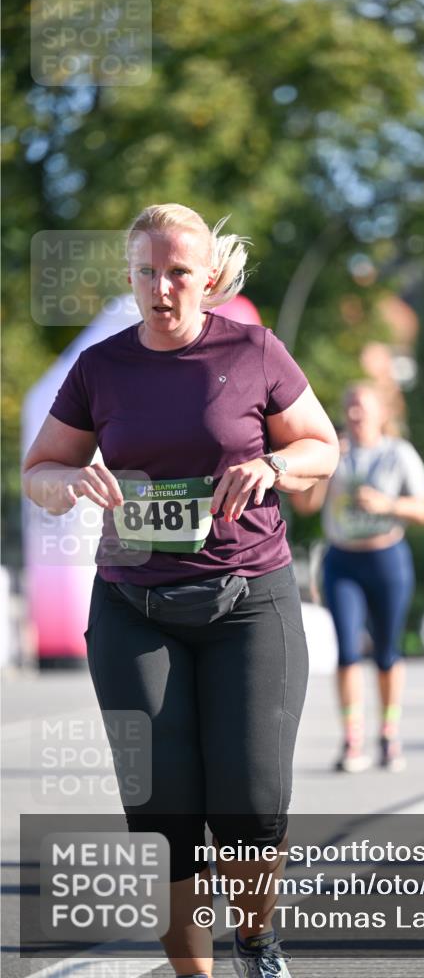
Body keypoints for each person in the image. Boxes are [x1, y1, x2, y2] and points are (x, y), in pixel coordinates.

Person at [22, 203, 339, 978]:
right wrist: (68, 483)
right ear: (129, 276)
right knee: (161, 814)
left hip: (249, 600)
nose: (160, 289)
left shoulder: (254, 350)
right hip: (134, 607)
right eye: (146, 272)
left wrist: (273, 465)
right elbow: (40, 469)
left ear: (209, 276)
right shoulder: (100, 367)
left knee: (251, 803)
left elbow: (321, 446)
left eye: (177, 273)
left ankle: (255, 941)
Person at [291, 382, 424, 773]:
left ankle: (388, 735)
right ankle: (352, 740)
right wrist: (324, 468)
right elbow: (305, 506)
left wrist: (388, 505)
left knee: (387, 653)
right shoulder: (335, 451)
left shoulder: (398, 453)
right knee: (347, 651)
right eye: (350, 407)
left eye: (362, 407)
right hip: (342, 561)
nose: (354, 414)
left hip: (387, 558)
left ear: (381, 413)